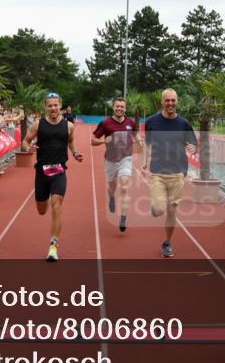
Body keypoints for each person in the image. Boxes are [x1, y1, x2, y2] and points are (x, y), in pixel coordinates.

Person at [21, 92, 84, 262]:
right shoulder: (37, 125)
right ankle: (45, 198)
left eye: (56, 105)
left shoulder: (69, 126)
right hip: (41, 172)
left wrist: (75, 153)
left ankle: (53, 247)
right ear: (45, 107)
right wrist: (28, 149)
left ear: (61, 105)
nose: (53, 108)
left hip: (59, 171)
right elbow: (25, 141)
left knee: (57, 206)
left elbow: (70, 141)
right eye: (50, 105)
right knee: (42, 210)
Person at [143, 89, 197, 258]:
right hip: (158, 172)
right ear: (162, 102)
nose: (170, 103)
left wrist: (193, 147)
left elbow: (194, 143)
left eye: (173, 100)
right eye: (167, 100)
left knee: (172, 211)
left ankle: (167, 242)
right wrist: (145, 161)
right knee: (159, 210)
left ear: (177, 102)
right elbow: (147, 143)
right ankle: (155, 208)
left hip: (178, 172)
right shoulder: (152, 121)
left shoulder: (183, 124)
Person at [91, 97, 142, 233]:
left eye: (122, 107)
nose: (119, 109)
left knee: (124, 186)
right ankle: (112, 198)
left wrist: (139, 140)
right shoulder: (105, 123)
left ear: (125, 109)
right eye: (117, 106)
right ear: (113, 107)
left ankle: (123, 217)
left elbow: (136, 134)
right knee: (112, 187)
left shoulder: (130, 122)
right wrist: (103, 141)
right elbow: (93, 140)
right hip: (111, 160)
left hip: (126, 158)